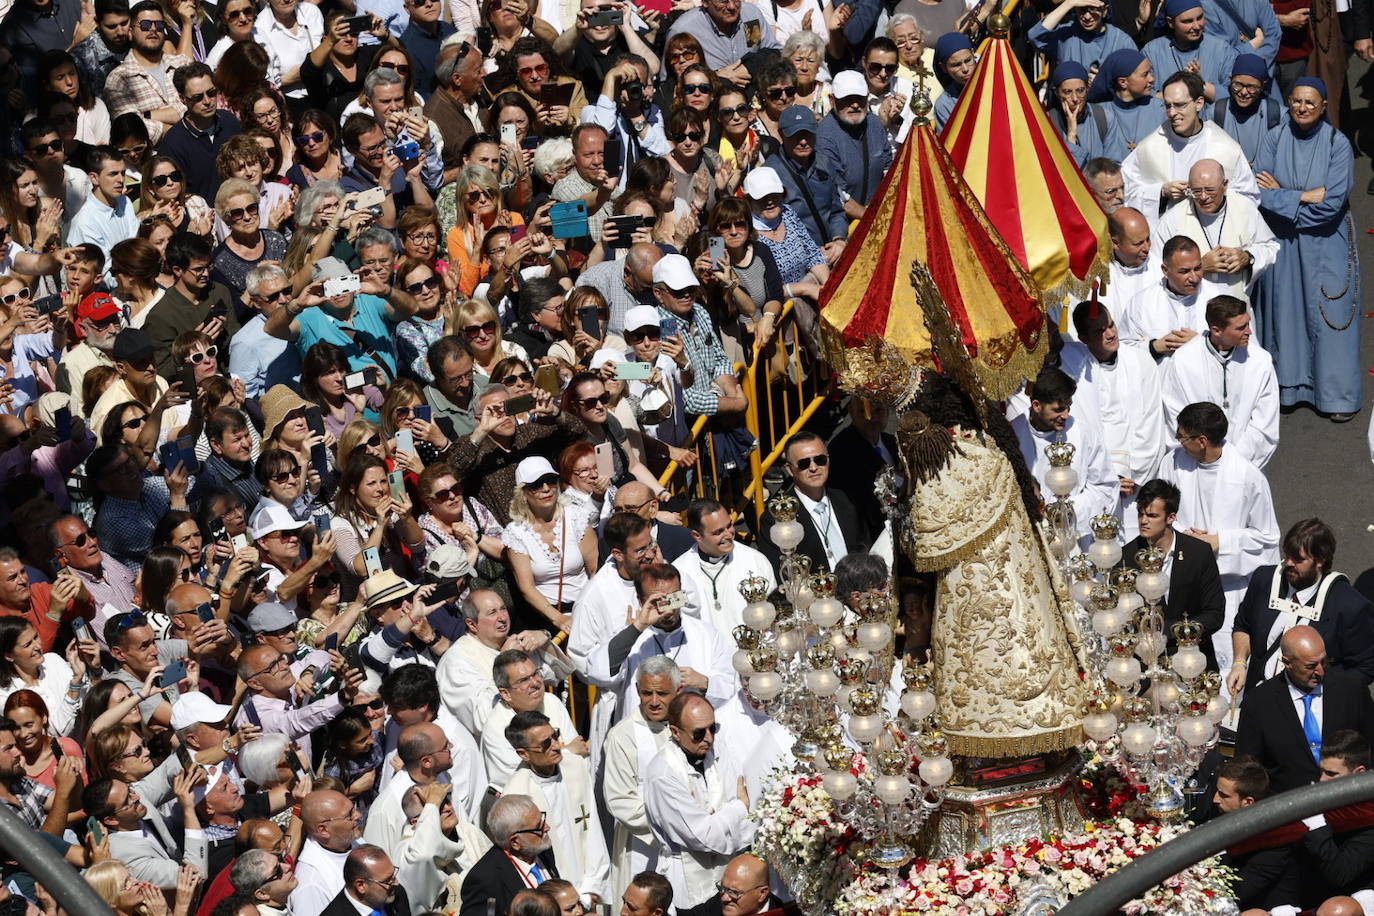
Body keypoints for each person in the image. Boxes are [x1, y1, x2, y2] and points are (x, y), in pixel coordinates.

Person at [1252, 77, 1362, 423]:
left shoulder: (1337, 144)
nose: (1301, 108)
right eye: (1296, 102)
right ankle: (1288, 388)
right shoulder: (1274, 137)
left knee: (1332, 315)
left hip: (1327, 242)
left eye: (1310, 103)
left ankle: (1336, 396)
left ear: (1324, 107)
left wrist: (1282, 196)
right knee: (1286, 313)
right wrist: (1301, 194)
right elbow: (1258, 190)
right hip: (1284, 241)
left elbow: (1330, 205)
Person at [1158, 401, 1279, 674]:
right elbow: (1162, 510)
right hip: (1183, 580)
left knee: (1224, 668)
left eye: (1182, 436)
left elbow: (1268, 540)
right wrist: (1185, 539)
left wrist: (1219, 542)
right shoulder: (1173, 463)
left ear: (1202, 441)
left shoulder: (1248, 478)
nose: (1178, 442)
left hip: (1227, 588)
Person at [1230, 518, 1374, 697]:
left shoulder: (1350, 605)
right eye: (1287, 555)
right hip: (1260, 697)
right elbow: (1243, 625)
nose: (1288, 563)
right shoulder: (1263, 580)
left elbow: (1365, 666)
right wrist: (1239, 663)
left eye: (1298, 559)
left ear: (1320, 560)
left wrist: (1329, 697)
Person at [643, 691, 754, 911]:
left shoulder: (718, 751)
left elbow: (748, 823)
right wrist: (739, 807)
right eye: (698, 733)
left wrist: (722, 820)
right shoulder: (663, 774)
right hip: (688, 882)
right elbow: (702, 836)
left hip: (728, 876)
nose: (709, 738)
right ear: (675, 732)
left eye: (713, 728)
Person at [1234, 627, 1374, 794]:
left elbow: (1370, 745)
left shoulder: (1351, 690)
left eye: (1324, 661)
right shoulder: (1259, 703)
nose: (1320, 671)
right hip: (1286, 807)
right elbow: (1248, 768)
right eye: (1311, 666)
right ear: (1287, 663)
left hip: (1346, 801)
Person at [1120, 72, 1258, 227]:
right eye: (1167, 106)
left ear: (1199, 103)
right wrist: (1160, 192)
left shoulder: (1226, 148)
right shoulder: (1150, 147)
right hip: (1166, 237)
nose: (1172, 113)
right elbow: (1123, 190)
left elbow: (1248, 198)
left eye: (1179, 105)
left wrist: (1213, 195)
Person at [502, 710, 610, 904]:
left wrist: (593, 888)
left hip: (588, 885)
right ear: (523, 753)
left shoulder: (575, 766)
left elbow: (593, 829)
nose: (556, 746)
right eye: (545, 743)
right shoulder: (516, 793)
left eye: (555, 736)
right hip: (552, 897)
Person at [1161, 295, 1279, 469]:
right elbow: (1175, 414)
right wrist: (1207, 455)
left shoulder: (1260, 361)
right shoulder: (1183, 360)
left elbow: (1265, 422)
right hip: (1197, 461)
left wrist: (1235, 459)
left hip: (1245, 462)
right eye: (1241, 328)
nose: (1249, 332)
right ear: (1217, 331)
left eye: (1248, 324)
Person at [437, 589, 574, 739]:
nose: (502, 617)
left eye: (503, 609)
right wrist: (504, 661)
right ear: (472, 624)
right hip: (497, 746)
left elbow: (559, 673)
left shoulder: (514, 642)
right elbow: (481, 718)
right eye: (492, 613)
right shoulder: (456, 661)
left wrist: (544, 639)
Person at [1119, 479, 1224, 671]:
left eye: (1152, 515)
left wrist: (1166, 630)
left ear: (1171, 517)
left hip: (1194, 664)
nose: (1143, 521)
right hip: (1147, 668)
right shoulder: (1126, 559)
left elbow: (1214, 614)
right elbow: (1121, 619)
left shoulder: (1198, 553)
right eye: (1141, 514)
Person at [1010, 367, 1117, 536]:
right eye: (1059, 409)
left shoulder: (1083, 433)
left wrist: (1064, 511)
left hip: (1071, 534)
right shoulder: (1013, 433)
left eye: (1068, 407)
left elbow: (1104, 486)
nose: (1066, 415)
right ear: (1037, 405)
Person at [602, 656, 678, 896]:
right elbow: (620, 800)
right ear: (637, 690)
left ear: (678, 691)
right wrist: (674, 829)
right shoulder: (622, 735)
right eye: (646, 693)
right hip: (645, 844)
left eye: (662, 694)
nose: (654, 702)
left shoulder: (690, 725)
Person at [1154, 159, 1278, 304]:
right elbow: (1156, 266)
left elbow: (1270, 247)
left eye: (1210, 190)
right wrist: (1200, 266)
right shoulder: (1173, 219)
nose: (1203, 197)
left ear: (1224, 186)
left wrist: (1247, 257)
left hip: (1236, 309)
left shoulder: (1244, 208)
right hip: (1191, 308)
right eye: (1196, 191)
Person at [757, 432, 868, 574]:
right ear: (790, 469)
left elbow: (864, 546)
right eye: (804, 463)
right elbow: (781, 574)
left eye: (820, 459)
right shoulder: (776, 518)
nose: (814, 467)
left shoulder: (846, 499)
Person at [1211, 756, 1299, 912]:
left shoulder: (1274, 842)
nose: (1215, 799)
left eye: (1223, 795)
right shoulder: (1226, 810)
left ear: (1248, 802)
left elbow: (1234, 894)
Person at [102, 1, 192, 144]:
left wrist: (149, 115)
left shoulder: (183, 64)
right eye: (145, 25)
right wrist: (185, 129)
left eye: (159, 25)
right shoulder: (118, 79)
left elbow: (203, 102)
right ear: (130, 32)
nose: (153, 29)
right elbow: (132, 128)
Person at [763, 106, 847, 257]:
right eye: (796, 135)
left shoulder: (825, 162)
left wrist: (839, 239)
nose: (803, 141)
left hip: (834, 252)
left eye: (808, 134)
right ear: (781, 134)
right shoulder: (770, 173)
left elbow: (836, 210)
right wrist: (811, 253)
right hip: (798, 261)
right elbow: (768, 229)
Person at [458, 794, 559, 916]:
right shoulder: (485, 880)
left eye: (543, 819)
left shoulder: (542, 849)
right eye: (538, 827)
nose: (547, 828)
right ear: (515, 842)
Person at [817, 71, 892, 219]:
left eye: (860, 98)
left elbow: (888, 168)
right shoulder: (825, 136)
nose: (855, 105)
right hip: (845, 222)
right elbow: (838, 195)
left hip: (877, 211)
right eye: (847, 99)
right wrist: (873, 219)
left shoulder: (874, 124)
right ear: (832, 100)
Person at [1117, 235, 1207, 359]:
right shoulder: (1141, 303)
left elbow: (1236, 343)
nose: (1194, 278)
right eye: (1184, 271)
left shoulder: (1217, 296)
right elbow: (1123, 349)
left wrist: (1203, 343)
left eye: (1197, 268)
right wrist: (1154, 347)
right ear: (1165, 270)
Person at [1141, 0, 1238, 102]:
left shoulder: (1221, 49)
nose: (1196, 26)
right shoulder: (1152, 52)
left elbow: (1234, 94)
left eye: (1200, 18)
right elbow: (1142, 97)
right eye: (1188, 21)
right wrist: (1181, 89)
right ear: (1170, 22)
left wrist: (1200, 85)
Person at [290, 790, 364, 916]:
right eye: (349, 815)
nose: (358, 815)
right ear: (323, 830)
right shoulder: (311, 884)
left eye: (354, 808)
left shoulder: (352, 840)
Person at [1082, 51, 1163, 164]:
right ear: (1123, 82)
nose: (1152, 79)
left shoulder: (1160, 109)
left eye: (1150, 72)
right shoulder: (1098, 113)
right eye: (1145, 74)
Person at [67, 147, 140, 273]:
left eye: (122, 173)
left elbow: (135, 243)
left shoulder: (125, 202)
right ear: (94, 178)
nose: (121, 180)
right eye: (113, 174)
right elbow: (102, 274)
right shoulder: (85, 223)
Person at [664, 0, 779, 72]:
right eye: (724, 1)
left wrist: (749, 66)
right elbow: (668, 83)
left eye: (736, 0)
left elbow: (774, 52)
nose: (732, 7)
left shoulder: (750, 16)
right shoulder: (684, 30)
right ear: (705, 2)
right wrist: (718, 78)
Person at [1210, 55, 1283, 167]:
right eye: (1238, 84)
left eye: (1251, 87)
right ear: (1230, 80)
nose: (1244, 92)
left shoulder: (1278, 115)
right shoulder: (1216, 111)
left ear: (1263, 86)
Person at [1027, 0, 1135, 73]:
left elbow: (1134, 80)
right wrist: (1069, 3)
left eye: (1093, 9)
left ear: (1105, 11)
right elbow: (1034, 36)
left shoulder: (1122, 41)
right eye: (1082, 9)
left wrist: (1104, 82)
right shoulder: (1066, 34)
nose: (1087, 16)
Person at [320, 846, 410, 916]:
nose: (396, 883)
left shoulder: (397, 895)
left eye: (393, 875)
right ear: (361, 886)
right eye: (387, 880)